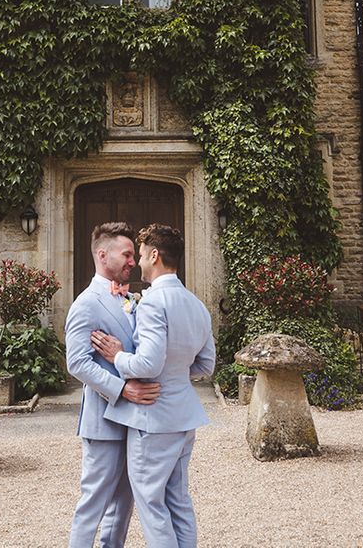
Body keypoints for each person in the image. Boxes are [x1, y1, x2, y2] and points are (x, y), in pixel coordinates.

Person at [92, 223, 216, 548]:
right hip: (184, 418)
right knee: (178, 500)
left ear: (156, 255)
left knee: (150, 502)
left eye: (143, 254)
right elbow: (206, 365)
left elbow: (148, 364)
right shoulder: (197, 304)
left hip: (153, 418)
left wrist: (118, 356)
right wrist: (175, 374)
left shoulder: (152, 302)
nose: (139, 263)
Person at [65, 222, 161, 548]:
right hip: (104, 418)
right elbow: (77, 363)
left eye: (134, 255)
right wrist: (123, 389)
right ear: (103, 255)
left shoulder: (133, 299)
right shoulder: (85, 304)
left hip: (136, 420)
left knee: (125, 501)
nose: (134, 261)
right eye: (128, 254)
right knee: (93, 501)